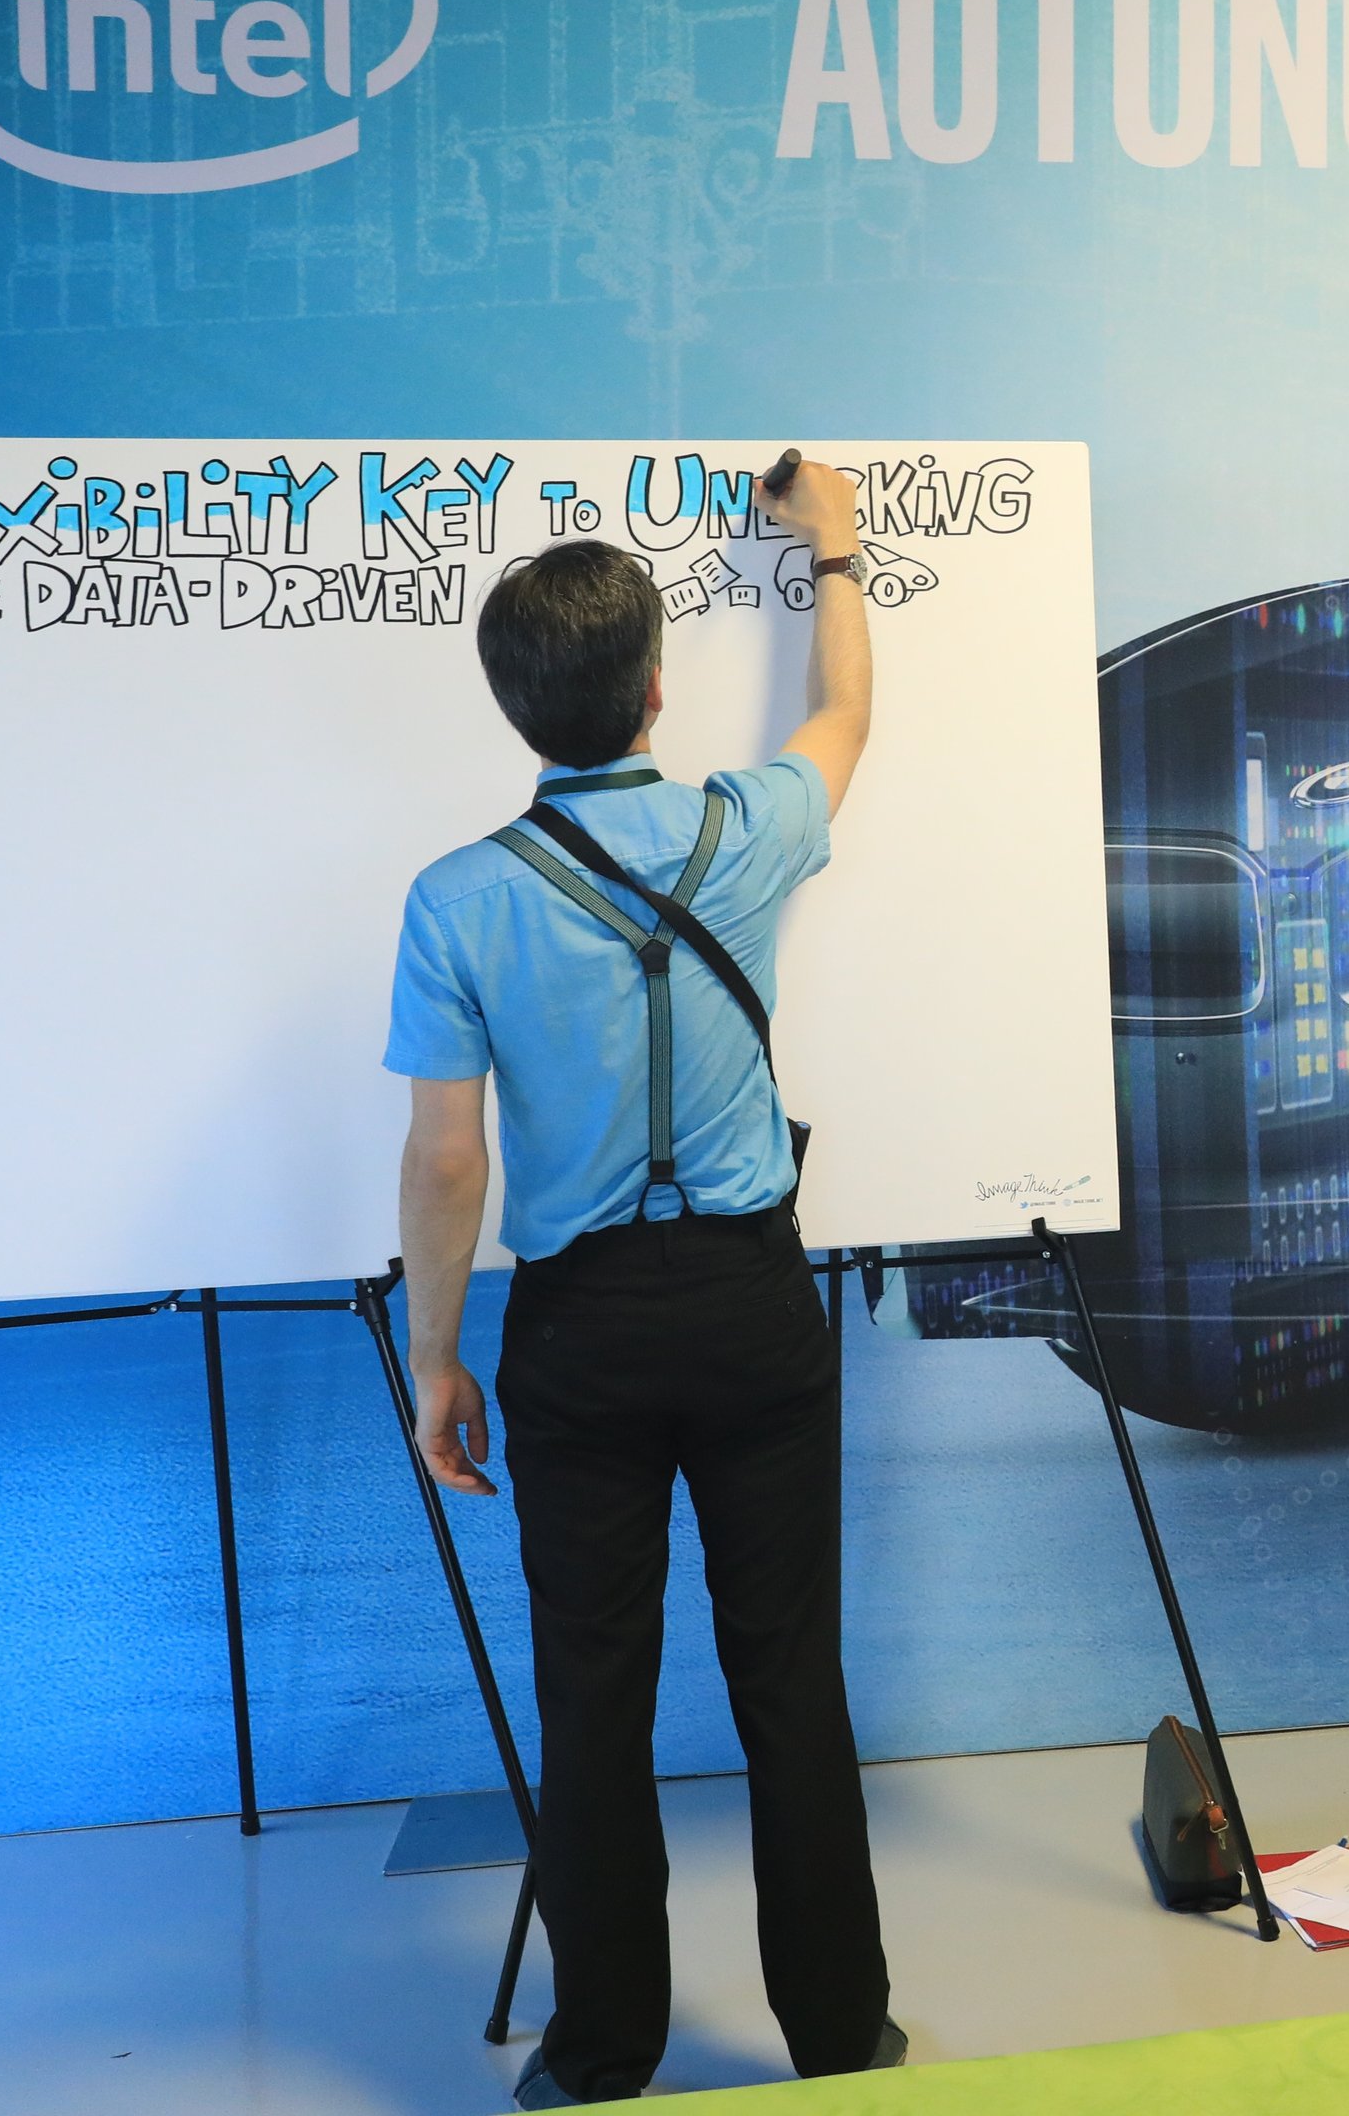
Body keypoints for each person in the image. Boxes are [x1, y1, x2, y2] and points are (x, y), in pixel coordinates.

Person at [384, 457, 894, 2107]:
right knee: (790, 1678)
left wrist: (436, 1361)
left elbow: (449, 1165)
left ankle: (602, 2054)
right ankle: (843, 2040)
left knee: (591, 1697)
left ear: (512, 707)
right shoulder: (750, 828)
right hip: (751, 1307)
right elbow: (845, 714)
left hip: (580, 1334)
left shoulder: (457, 901)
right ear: (659, 688)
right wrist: (834, 550)